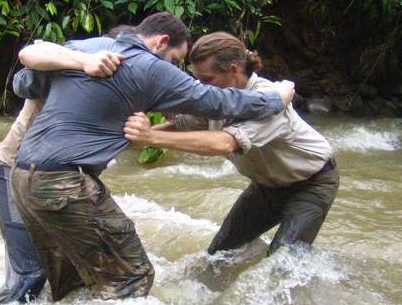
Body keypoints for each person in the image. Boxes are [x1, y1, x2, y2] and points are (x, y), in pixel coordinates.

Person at [10, 12, 296, 302]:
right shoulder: (152, 67)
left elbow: (24, 82)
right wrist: (278, 96)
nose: (174, 68)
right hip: (65, 184)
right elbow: (222, 101)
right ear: (161, 41)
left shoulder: (89, 48)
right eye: (175, 60)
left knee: (73, 284)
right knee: (132, 276)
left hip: (22, 177)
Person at [124, 32, 338, 257]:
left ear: (233, 70)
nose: (199, 86)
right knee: (219, 254)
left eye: (206, 79)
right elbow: (184, 125)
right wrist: (132, 139)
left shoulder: (268, 100)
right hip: (266, 186)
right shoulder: (217, 96)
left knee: (281, 261)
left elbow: (225, 143)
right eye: (196, 79)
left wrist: (151, 138)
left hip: (312, 183)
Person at [0, 43, 126, 305]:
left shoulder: (124, 83)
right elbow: (27, 63)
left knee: (71, 273)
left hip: (55, 182)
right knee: (30, 275)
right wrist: (84, 62)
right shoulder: (72, 64)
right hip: (11, 172)